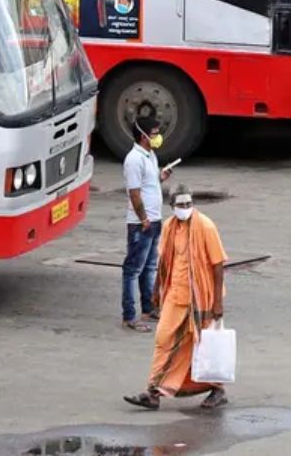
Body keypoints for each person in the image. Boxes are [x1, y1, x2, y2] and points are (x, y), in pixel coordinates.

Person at [124, 185, 229, 411]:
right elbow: (164, 261)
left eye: (189, 204)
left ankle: (217, 389)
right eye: (181, 205)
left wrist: (218, 302)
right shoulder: (169, 227)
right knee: (163, 339)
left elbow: (218, 264)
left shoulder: (205, 226)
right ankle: (154, 392)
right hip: (175, 294)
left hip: (201, 298)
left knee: (202, 346)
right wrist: (156, 290)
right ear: (172, 207)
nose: (185, 208)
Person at [122, 115, 173, 332]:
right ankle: (130, 316)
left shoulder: (150, 155)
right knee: (133, 270)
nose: (157, 137)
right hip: (141, 223)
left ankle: (148, 307)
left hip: (154, 220)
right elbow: (134, 194)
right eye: (154, 134)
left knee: (149, 267)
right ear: (143, 136)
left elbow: (148, 184)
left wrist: (161, 177)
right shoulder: (133, 159)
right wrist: (143, 219)